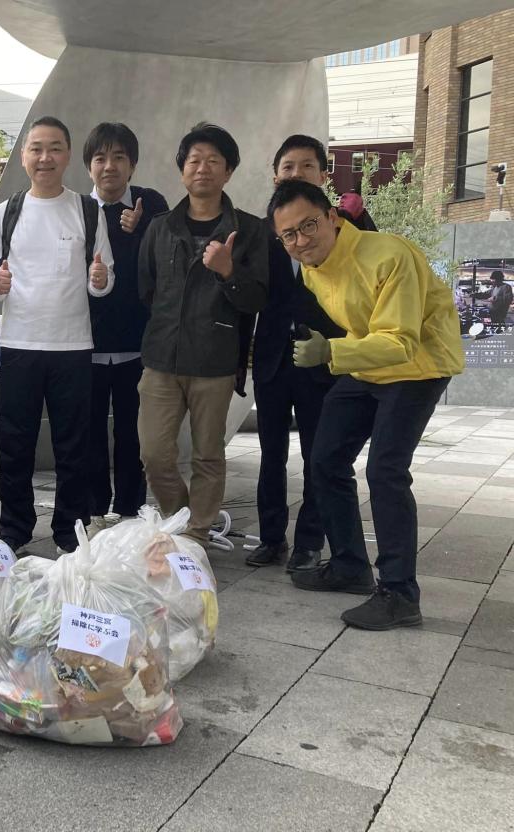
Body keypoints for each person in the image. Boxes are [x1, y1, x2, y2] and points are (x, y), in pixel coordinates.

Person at [269, 179, 464, 630]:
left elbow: (399, 341)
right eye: (288, 236)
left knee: (385, 471)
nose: (300, 241)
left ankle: (399, 593)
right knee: (325, 459)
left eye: (308, 226)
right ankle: (350, 565)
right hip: (367, 365)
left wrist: (331, 353)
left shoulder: (389, 255)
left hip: (418, 366)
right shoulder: (313, 268)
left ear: (333, 218)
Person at [0, 116, 115, 555]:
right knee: (14, 444)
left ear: (67, 155)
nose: (45, 157)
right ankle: (14, 530)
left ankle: (68, 532)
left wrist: (98, 277)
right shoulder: (6, 213)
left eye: (54, 148)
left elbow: (105, 279)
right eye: (36, 148)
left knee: (73, 446)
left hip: (73, 347)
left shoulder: (88, 210)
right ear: (24, 156)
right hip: (19, 344)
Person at [137, 123, 268, 545]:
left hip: (214, 359)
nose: (203, 168)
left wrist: (229, 271)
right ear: (181, 171)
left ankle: (195, 535)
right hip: (161, 358)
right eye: (194, 160)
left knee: (208, 454)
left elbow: (258, 298)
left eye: (214, 161)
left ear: (228, 172)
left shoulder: (249, 230)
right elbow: (147, 289)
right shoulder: (159, 228)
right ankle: (179, 519)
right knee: (154, 453)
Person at [247, 135, 349, 572]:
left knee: (317, 454)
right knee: (270, 454)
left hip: (322, 358)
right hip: (273, 358)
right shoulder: (260, 231)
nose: (296, 175)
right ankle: (272, 538)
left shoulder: (345, 226)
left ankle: (309, 541)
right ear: (275, 176)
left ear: (323, 175)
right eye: (288, 168)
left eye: (306, 167)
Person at [83, 122, 169, 528]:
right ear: (88, 167)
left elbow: (168, 254)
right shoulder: (79, 211)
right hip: (87, 343)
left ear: (132, 165)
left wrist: (143, 229)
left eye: (119, 157)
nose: (109, 166)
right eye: (100, 158)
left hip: (138, 343)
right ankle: (95, 508)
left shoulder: (150, 205)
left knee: (136, 436)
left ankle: (132, 512)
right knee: (91, 434)